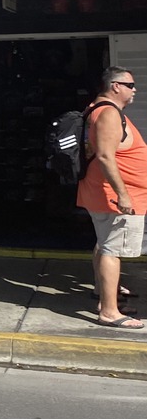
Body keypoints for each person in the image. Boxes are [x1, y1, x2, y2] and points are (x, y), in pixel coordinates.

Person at [76, 66, 147, 329]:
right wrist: (123, 194)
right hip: (114, 196)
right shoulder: (108, 113)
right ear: (115, 86)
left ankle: (105, 295)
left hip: (104, 193)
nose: (134, 90)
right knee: (111, 250)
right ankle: (109, 311)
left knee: (105, 244)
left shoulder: (98, 109)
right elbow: (105, 156)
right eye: (130, 85)